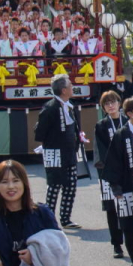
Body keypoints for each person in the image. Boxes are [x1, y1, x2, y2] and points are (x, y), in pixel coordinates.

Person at [102, 97, 133, 266]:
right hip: (127, 186)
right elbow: (112, 162)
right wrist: (116, 188)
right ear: (129, 113)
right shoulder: (121, 134)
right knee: (129, 224)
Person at [34, 75, 84, 230]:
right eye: (70, 85)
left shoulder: (71, 105)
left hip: (70, 151)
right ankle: (48, 219)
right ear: (63, 90)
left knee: (70, 185)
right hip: (54, 152)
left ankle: (66, 218)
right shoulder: (50, 107)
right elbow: (40, 133)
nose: (72, 87)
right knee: (54, 186)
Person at [93, 91, 130, 258]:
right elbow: (99, 153)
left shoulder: (128, 122)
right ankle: (116, 243)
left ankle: (131, 241)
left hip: (128, 171)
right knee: (112, 210)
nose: (110, 105)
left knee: (129, 208)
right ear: (103, 107)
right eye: (106, 103)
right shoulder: (101, 126)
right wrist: (105, 174)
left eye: (113, 101)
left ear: (119, 103)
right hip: (109, 173)